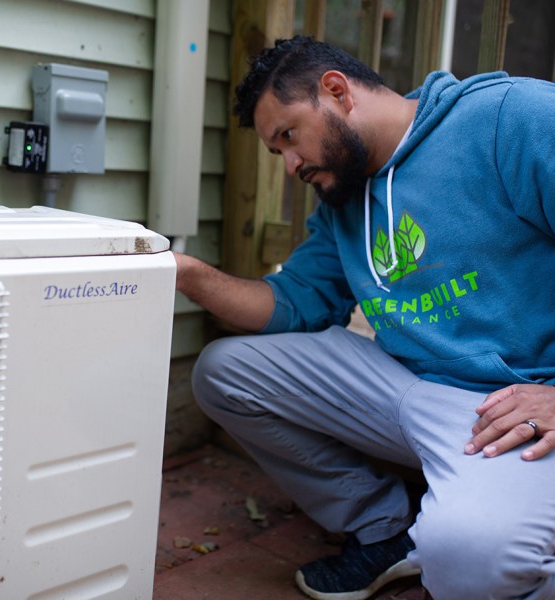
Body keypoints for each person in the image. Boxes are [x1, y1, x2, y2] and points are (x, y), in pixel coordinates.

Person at [175, 35, 555, 600]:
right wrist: (186, 273)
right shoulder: (345, 199)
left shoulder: (510, 118)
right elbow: (293, 302)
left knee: (468, 559)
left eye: (288, 138)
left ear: (336, 91)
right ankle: (387, 532)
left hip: (513, 405)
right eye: (276, 154)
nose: (291, 165)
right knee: (225, 370)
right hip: (411, 386)